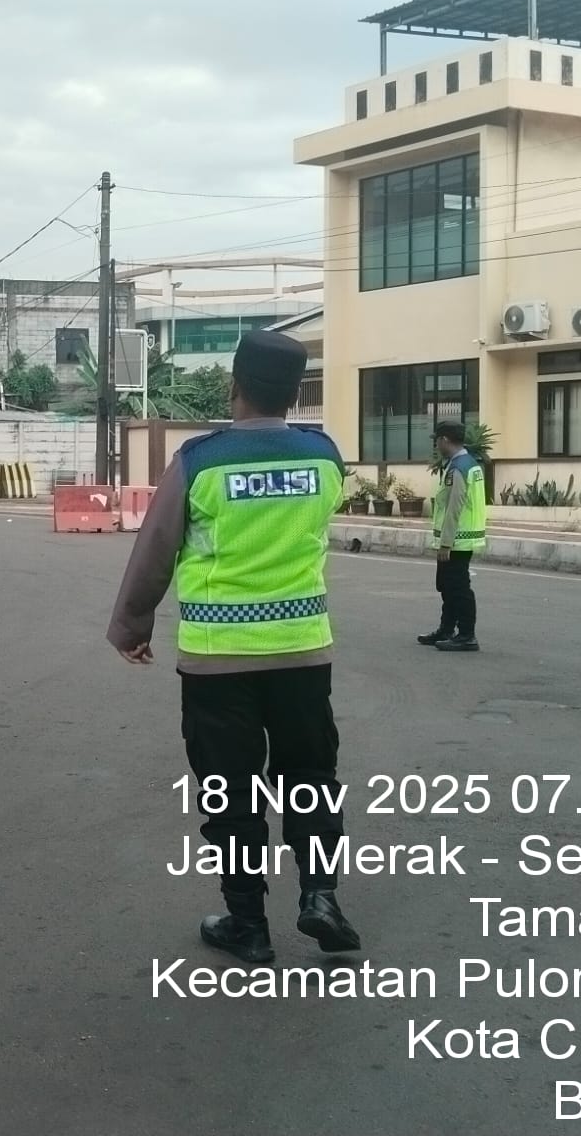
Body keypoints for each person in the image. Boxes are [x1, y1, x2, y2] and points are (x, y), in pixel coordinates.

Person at [107, 329, 359, 966]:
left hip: (218, 659)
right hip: (303, 652)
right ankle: (321, 896)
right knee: (311, 779)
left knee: (230, 791)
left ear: (235, 386)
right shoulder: (324, 456)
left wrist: (132, 626)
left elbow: (156, 550)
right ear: (296, 392)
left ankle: (248, 923)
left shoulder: (200, 461)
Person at [420, 420, 487, 652]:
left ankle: (467, 634)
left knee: (458, 588)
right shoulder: (467, 464)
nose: (436, 445)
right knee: (447, 586)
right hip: (459, 538)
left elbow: (454, 507)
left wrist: (445, 543)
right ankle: (446, 629)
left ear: (445, 439)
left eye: (437, 440)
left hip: (457, 540)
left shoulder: (459, 467)